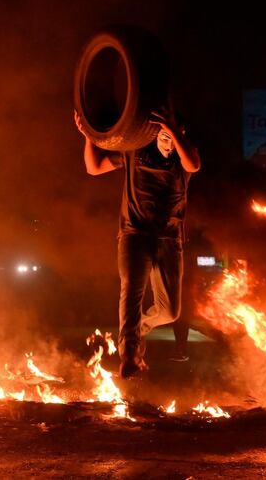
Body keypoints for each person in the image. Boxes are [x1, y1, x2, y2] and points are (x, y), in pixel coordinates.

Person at [75, 105, 201, 378]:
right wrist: (88, 136)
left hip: (169, 239)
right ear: (155, 134)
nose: (168, 143)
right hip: (135, 234)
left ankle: (136, 329)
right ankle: (129, 354)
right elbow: (93, 167)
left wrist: (172, 130)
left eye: (173, 136)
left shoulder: (183, 161)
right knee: (132, 290)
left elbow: (195, 164)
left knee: (170, 311)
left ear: (181, 135)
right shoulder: (135, 151)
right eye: (163, 136)